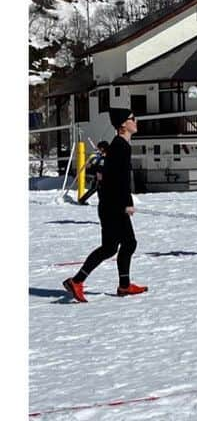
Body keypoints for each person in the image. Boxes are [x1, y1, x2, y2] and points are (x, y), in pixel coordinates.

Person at [62, 108, 147, 300]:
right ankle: (81, 282)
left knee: (110, 247)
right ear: (123, 124)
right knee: (128, 243)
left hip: (110, 204)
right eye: (133, 118)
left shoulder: (120, 145)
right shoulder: (120, 146)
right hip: (114, 206)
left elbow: (113, 178)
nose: (136, 121)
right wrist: (126, 203)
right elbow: (118, 180)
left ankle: (83, 281)